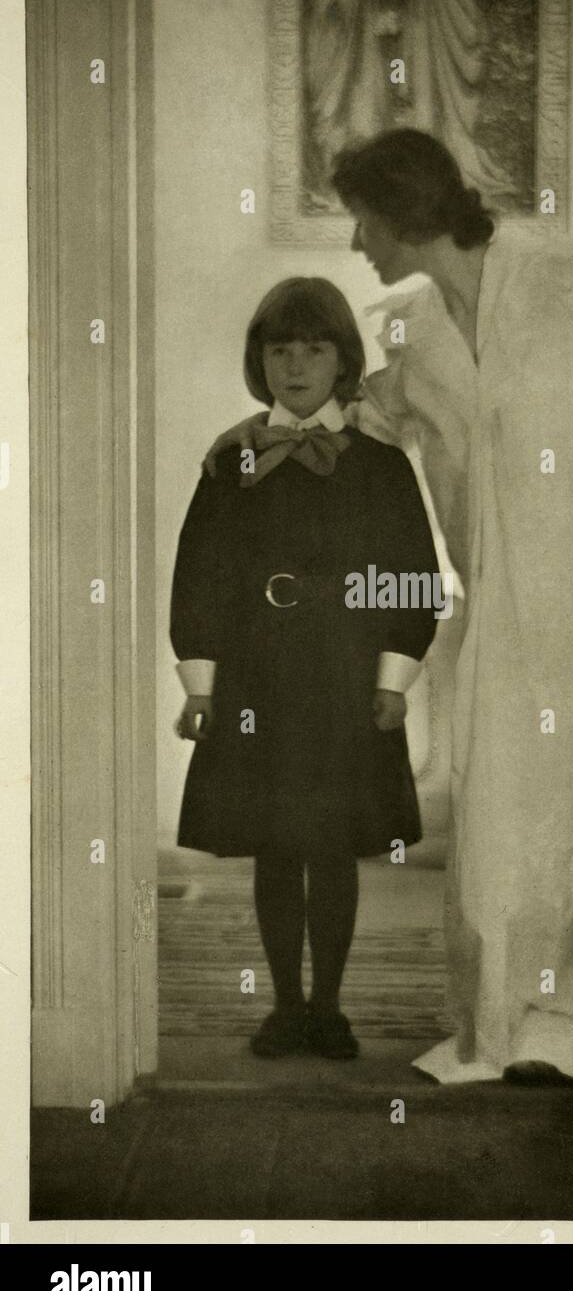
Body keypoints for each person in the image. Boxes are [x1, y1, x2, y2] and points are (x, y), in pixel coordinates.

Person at [204, 129, 573, 1086]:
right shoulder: (409, 325)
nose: (356, 242)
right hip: (499, 618)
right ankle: (499, 1025)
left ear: (401, 210)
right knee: (499, 817)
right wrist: (252, 442)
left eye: (361, 218)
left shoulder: (566, 273)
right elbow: (351, 417)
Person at [171, 276, 440, 1061]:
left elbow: (412, 577)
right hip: (257, 682)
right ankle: (284, 1005)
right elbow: (199, 580)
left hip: (344, 678)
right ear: (260, 361)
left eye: (314, 349)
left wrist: (392, 680)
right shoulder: (230, 464)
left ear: (343, 359)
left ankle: (330, 1006)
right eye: (279, 350)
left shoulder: (381, 467)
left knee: (331, 843)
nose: (296, 366)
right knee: (274, 844)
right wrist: (202, 689)